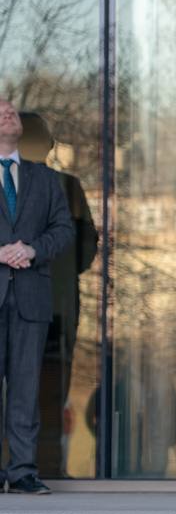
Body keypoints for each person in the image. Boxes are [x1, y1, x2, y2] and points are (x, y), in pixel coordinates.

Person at [19, 112, 98, 477]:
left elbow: (86, 246)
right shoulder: (67, 187)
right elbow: (86, 248)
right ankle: (44, 464)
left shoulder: (65, 187)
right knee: (50, 389)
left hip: (46, 304)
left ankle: (28, 464)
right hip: (57, 305)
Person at [0, 99, 73, 494]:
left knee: (26, 387)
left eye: (11, 111)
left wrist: (31, 250)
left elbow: (64, 229)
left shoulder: (45, 179)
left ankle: (23, 470)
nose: (8, 114)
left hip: (31, 296)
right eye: (0, 112)